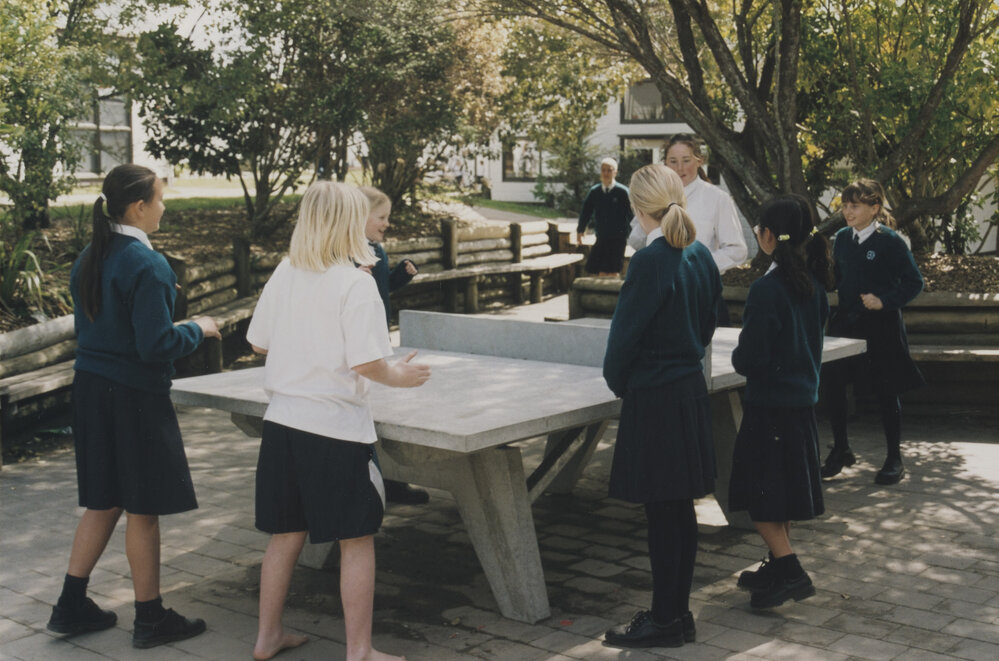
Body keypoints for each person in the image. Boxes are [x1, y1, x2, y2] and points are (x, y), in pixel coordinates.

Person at [246, 181, 430, 661]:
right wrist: (403, 377)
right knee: (356, 539)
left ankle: (266, 636)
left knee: (285, 534)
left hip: (282, 423)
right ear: (351, 223)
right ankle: (360, 650)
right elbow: (369, 363)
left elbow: (259, 343)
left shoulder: (286, 271)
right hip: (336, 431)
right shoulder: (356, 284)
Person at [47, 164, 221, 649]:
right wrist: (199, 328)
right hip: (133, 399)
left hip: (90, 391)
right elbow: (156, 343)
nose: (164, 207)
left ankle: (70, 605)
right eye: (160, 199)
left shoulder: (90, 256)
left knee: (103, 499)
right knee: (143, 508)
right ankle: (150, 618)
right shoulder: (149, 265)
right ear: (139, 206)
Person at [602, 164, 722, 649]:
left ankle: (666, 619)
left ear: (636, 206)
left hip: (655, 396)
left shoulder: (651, 261)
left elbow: (622, 341)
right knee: (680, 512)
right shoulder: (700, 256)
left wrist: (625, 384)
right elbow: (712, 320)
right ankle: (676, 614)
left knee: (662, 515)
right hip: (688, 390)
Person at [728, 195, 835, 609]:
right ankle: (776, 565)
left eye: (758, 230)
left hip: (769, 408)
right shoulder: (815, 286)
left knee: (760, 498)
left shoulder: (767, 290)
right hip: (801, 405)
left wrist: (739, 355)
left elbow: (749, 358)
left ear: (768, 236)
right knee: (782, 494)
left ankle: (791, 570)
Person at [820, 179, 924, 485]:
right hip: (846, 325)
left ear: (874, 208)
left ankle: (894, 458)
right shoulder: (841, 238)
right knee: (834, 383)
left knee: (886, 390)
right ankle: (841, 449)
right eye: (845, 205)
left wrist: (884, 301)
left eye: (855, 206)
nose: (847, 212)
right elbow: (837, 277)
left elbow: (913, 282)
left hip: (881, 326)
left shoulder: (890, 241)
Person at [359, 185, 428, 505]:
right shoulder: (352, 254)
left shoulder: (378, 250)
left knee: (386, 409)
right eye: (382, 217)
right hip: (363, 343)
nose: (387, 223)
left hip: (381, 337)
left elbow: (382, 289)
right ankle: (378, 480)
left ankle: (394, 479)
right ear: (360, 217)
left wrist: (401, 274)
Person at [629, 135, 747, 322]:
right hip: (659, 291)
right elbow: (636, 241)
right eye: (673, 161)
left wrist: (696, 267)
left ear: (699, 161)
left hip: (701, 291)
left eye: (686, 160)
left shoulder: (717, 198)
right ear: (665, 163)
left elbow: (737, 250)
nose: (680, 168)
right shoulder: (654, 194)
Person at [576, 157, 633, 276]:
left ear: (615, 172)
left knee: (613, 270)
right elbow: (586, 211)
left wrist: (635, 234)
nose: (606, 173)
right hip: (601, 236)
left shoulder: (623, 192)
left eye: (609, 170)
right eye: (603, 170)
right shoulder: (595, 191)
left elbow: (632, 214)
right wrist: (580, 229)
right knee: (599, 270)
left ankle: (612, 294)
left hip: (618, 238)